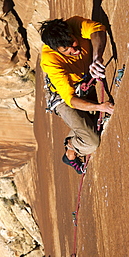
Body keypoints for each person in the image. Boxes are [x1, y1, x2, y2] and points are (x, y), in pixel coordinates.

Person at [39, 16, 114, 174]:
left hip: (81, 82)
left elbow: (98, 29)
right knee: (92, 141)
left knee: (93, 123)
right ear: (56, 50)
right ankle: (71, 151)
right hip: (62, 97)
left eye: (73, 43)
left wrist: (96, 57)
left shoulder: (75, 24)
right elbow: (70, 99)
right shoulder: (49, 60)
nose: (74, 50)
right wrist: (100, 106)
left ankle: (81, 130)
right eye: (66, 51)